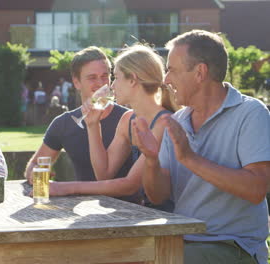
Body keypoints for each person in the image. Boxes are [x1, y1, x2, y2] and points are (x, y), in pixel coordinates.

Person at [132, 30, 270, 263]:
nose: (166, 80)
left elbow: (257, 189)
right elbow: (158, 195)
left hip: (233, 246)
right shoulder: (176, 121)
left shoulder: (251, 113)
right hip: (181, 240)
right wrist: (151, 160)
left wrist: (189, 158)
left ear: (200, 72)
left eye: (172, 70)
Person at [49, 45, 179, 209]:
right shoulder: (127, 119)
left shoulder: (164, 122)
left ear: (132, 80)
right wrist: (92, 125)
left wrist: (67, 187)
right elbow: (104, 175)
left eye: (115, 77)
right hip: (144, 215)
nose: (111, 86)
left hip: (171, 219)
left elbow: (130, 184)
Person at [25, 46, 133, 184]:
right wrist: (34, 173)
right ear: (76, 82)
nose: (100, 83)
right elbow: (34, 165)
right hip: (81, 204)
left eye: (105, 76)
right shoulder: (63, 123)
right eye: (92, 78)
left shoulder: (128, 118)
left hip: (124, 205)